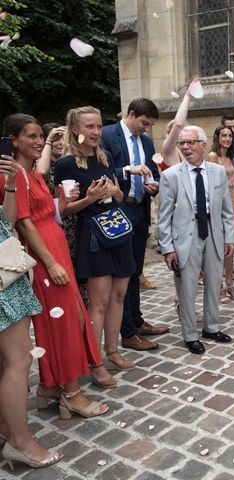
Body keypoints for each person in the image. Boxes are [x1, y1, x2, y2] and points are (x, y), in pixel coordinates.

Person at [3, 113, 111, 419]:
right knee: (65, 324)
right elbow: (23, 222)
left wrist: (71, 201)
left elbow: (50, 213)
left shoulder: (34, 173)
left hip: (56, 246)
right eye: (31, 137)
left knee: (69, 320)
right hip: (44, 255)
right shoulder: (14, 176)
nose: (38, 142)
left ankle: (50, 387)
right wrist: (49, 264)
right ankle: (71, 394)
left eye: (41, 136)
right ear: (13, 141)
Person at [54, 106, 136, 373]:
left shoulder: (106, 157)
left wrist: (114, 190)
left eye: (99, 126)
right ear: (75, 129)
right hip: (93, 236)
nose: (97, 132)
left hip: (117, 230)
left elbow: (119, 196)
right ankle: (95, 359)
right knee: (98, 302)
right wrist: (88, 199)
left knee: (119, 295)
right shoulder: (66, 164)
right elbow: (63, 210)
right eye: (90, 126)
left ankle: (112, 351)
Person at [0, 154, 64, 470]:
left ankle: (7, 428)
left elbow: (6, 223)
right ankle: (20, 442)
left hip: (6, 264)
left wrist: (11, 185)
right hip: (2, 276)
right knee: (19, 357)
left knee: (7, 360)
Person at [157, 126, 234, 354]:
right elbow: (163, 216)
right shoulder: (171, 175)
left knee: (214, 283)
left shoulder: (217, 171)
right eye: (182, 143)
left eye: (191, 142)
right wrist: (167, 248)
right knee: (187, 288)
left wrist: (229, 237)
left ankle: (211, 327)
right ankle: (190, 335)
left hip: (214, 232)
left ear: (203, 144)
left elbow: (226, 208)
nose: (185, 147)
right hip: (185, 237)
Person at [101, 98, 169, 352]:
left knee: (136, 270)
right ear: (131, 115)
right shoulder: (108, 134)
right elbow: (102, 170)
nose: (147, 129)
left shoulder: (147, 142)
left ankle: (137, 321)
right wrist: (128, 170)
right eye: (144, 123)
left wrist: (154, 185)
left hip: (140, 208)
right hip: (119, 208)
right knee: (124, 273)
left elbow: (153, 171)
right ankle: (127, 331)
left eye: (150, 125)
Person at [207, 124, 234, 304]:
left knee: (231, 246)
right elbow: (211, 183)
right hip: (219, 205)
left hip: (233, 205)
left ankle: (230, 284)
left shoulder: (231, 157)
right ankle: (218, 287)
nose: (227, 139)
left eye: (230, 136)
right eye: (224, 135)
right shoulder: (213, 156)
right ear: (217, 137)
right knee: (218, 247)